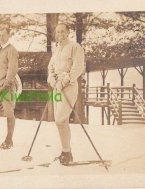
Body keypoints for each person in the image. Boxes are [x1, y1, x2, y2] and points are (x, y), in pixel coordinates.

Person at [47, 23, 85, 165]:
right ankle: (66, 152)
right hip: (57, 87)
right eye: (58, 32)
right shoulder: (57, 49)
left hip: (69, 87)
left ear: (68, 32)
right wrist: (52, 79)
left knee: (60, 120)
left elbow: (78, 68)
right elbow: (50, 67)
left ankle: (66, 152)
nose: (60, 34)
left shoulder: (75, 47)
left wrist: (64, 81)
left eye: (63, 31)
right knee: (61, 122)